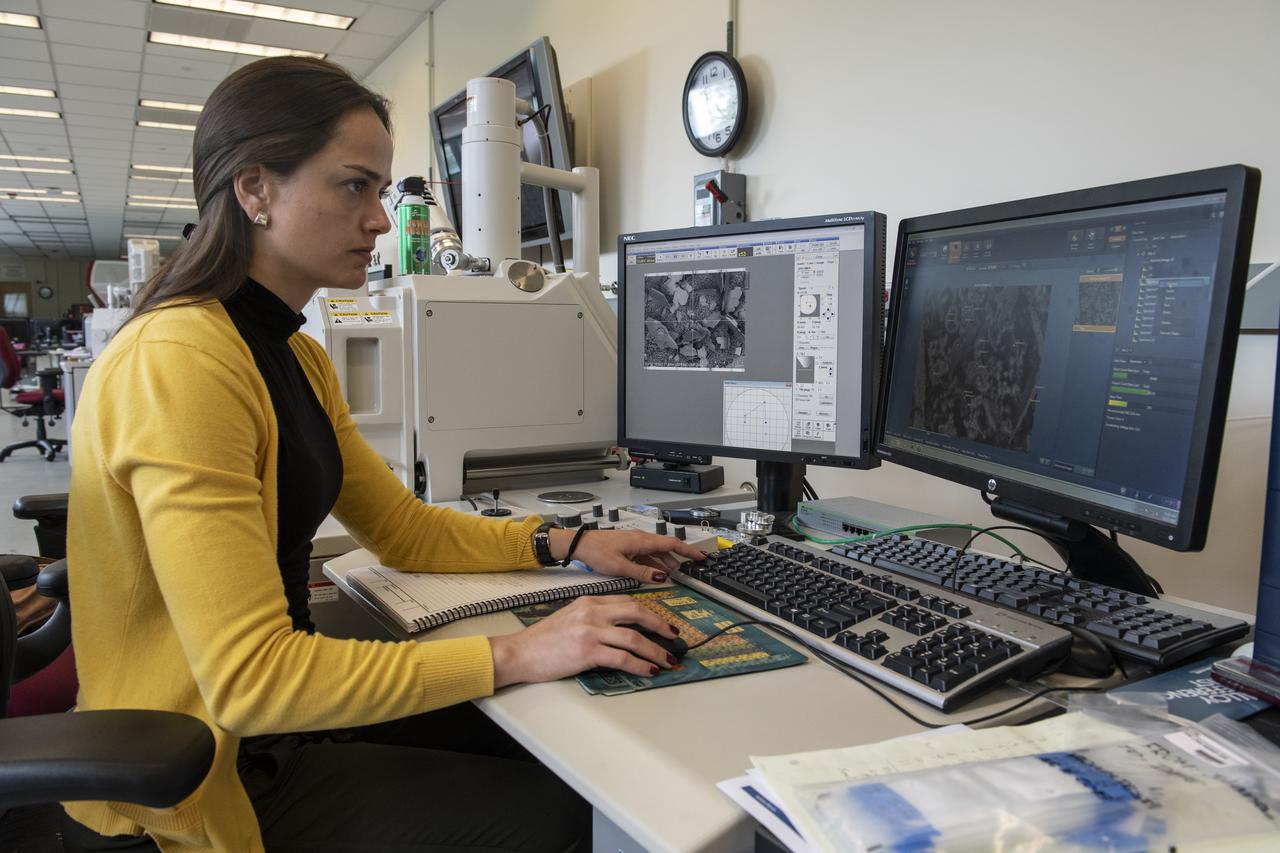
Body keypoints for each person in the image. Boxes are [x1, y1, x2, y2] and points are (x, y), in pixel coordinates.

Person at [63, 56, 704, 853]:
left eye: (380, 189)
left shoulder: (289, 355)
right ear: (255, 189)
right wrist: (518, 649)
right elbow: (253, 679)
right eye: (354, 186)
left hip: (274, 738)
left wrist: (568, 543)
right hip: (207, 782)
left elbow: (406, 533)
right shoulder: (180, 362)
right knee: (582, 819)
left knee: (559, 743)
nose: (378, 218)